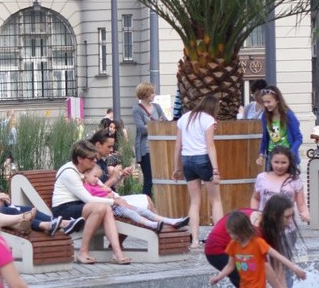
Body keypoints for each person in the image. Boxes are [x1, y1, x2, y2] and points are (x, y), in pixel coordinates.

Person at [209, 209, 305, 288]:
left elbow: (276, 258)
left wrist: (294, 270)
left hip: (253, 286)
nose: (230, 236)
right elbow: (233, 265)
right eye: (229, 233)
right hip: (235, 275)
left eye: (232, 233)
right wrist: (218, 278)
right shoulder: (238, 242)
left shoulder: (257, 239)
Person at [51, 140, 130, 265]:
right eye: (91, 159)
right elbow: (88, 199)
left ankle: (117, 252)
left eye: (94, 158)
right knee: (100, 208)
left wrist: (115, 198)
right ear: (80, 159)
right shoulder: (69, 172)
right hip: (63, 209)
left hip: (78, 205)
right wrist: (113, 201)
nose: (94, 161)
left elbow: (101, 187)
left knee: (106, 208)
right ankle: (83, 252)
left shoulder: (85, 169)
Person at [172, 93, 223, 245]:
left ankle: (194, 240)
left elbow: (177, 146)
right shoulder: (208, 120)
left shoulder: (185, 117)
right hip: (203, 159)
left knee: (194, 202)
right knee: (216, 201)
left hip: (187, 160)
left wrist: (177, 167)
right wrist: (215, 170)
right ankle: (219, 239)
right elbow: (210, 146)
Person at [82, 161, 189, 233]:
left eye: (97, 177)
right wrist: (109, 197)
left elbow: (108, 190)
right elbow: (92, 199)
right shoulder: (86, 187)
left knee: (144, 211)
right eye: (95, 176)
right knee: (132, 213)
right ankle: (151, 224)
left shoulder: (97, 184)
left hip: (117, 204)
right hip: (112, 208)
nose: (97, 179)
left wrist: (107, 190)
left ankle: (170, 221)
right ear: (86, 174)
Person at [258, 193, 305, 288]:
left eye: (292, 216)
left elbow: (277, 264)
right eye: (287, 217)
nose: (290, 221)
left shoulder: (272, 229)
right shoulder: (258, 230)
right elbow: (265, 264)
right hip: (220, 250)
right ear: (275, 216)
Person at [250, 145, 310, 223]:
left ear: (289, 162)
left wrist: (305, 213)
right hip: (265, 225)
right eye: (276, 162)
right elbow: (256, 198)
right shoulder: (262, 178)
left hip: (287, 227)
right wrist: (254, 213)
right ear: (271, 161)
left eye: (283, 162)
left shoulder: (294, 180)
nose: (279, 166)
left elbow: (301, 204)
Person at [132, 82, 166, 200]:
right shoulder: (137, 109)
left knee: (161, 177)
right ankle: (146, 203)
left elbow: (166, 123)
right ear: (145, 94)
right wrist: (157, 125)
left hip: (158, 146)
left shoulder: (157, 107)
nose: (154, 95)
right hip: (145, 148)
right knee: (149, 179)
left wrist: (153, 126)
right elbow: (141, 129)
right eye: (151, 92)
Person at [257, 85, 302, 170]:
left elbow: (298, 138)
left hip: (287, 156)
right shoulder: (265, 116)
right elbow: (265, 137)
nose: (266, 105)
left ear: (277, 100)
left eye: (268, 102)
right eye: (264, 102)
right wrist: (261, 154)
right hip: (271, 156)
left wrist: (291, 153)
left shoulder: (288, 115)